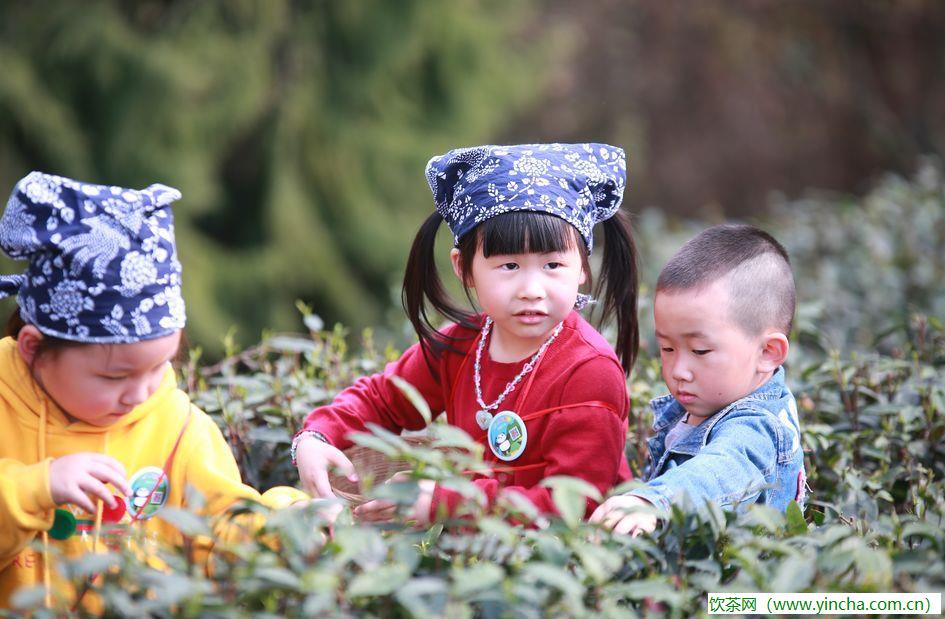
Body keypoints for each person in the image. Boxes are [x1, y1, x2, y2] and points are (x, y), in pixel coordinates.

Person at [0, 172, 307, 610]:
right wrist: (35, 488)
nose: (142, 393)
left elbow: (221, 530)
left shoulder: (179, 427)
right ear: (34, 349)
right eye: (114, 377)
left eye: (160, 366)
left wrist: (289, 526)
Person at [294, 143, 640, 523]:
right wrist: (316, 436)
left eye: (553, 264)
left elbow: (576, 504)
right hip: (473, 559)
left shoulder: (589, 372)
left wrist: (446, 503)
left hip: (561, 568)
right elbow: (382, 399)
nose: (532, 288)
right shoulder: (461, 345)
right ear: (465, 269)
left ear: (582, 270)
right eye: (509, 266)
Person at [590, 223, 807, 536]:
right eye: (667, 348)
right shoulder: (710, 399)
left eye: (700, 350)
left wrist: (653, 501)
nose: (679, 370)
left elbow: (722, 468)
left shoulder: (758, 428)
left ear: (768, 352)